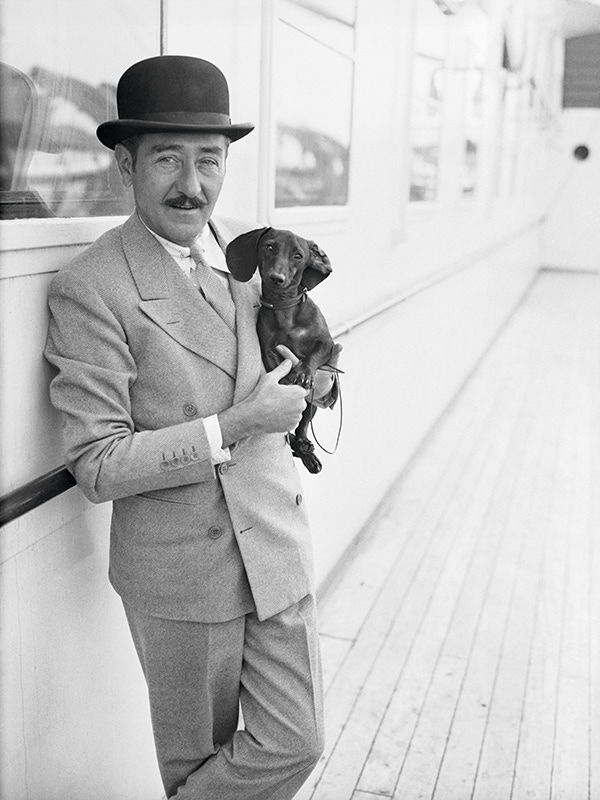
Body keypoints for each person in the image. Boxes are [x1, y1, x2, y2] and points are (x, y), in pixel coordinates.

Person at [44, 55, 341, 800]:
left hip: (275, 549)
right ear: (124, 163)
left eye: (208, 159)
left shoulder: (253, 256)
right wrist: (237, 424)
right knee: (195, 763)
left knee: (296, 741)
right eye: (167, 158)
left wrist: (322, 378)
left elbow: (297, 343)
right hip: (183, 573)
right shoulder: (94, 285)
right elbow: (98, 462)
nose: (192, 182)